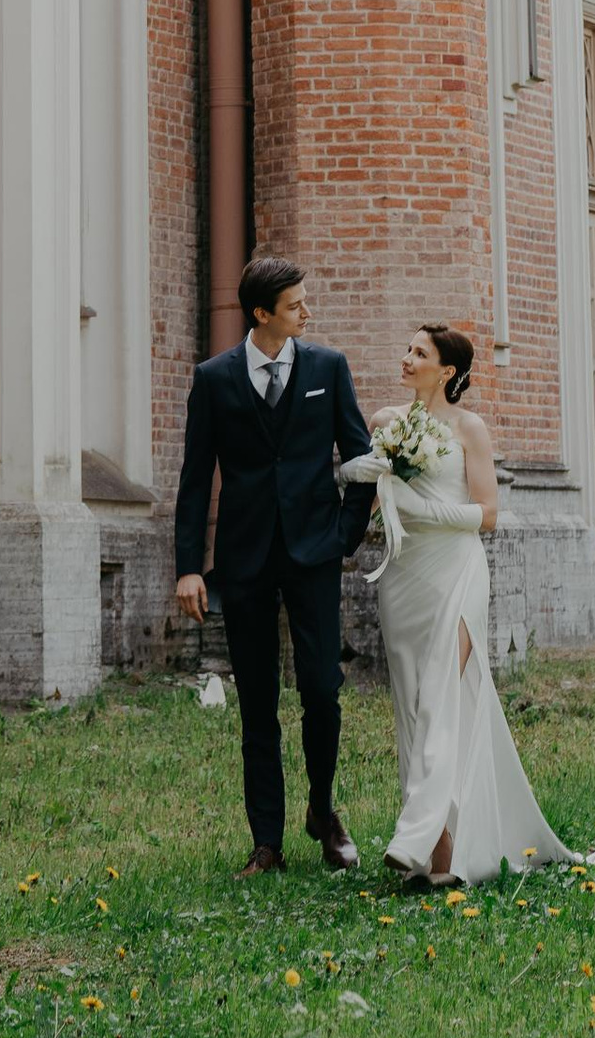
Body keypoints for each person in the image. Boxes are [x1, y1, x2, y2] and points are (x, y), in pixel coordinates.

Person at [343, 322, 571, 887]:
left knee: (442, 695)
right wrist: (367, 482)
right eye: (408, 347)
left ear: (447, 371)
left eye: (419, 352)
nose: (406, 357)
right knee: (414, 702)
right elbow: (371, 495)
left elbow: (488, 514)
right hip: (405, 576)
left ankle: (414, 834)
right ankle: (439, 859)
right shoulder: (388, 424)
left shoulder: (470, 428)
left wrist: (426, 512)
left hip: (458, 572)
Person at [173, 254, 374, 876]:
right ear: (262, 315)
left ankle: (322, 809)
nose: (306, 313)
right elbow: (194, 476)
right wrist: (188, 566)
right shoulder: (214, 378)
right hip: (245, 559)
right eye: (294, 306)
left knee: (321, 689)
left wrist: (344, 534)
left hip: (314, 552)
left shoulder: (327, 367)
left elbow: (362, 457)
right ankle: (267, 841)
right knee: (257, 702)